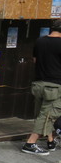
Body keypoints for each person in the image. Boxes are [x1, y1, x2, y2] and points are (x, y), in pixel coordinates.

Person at [21, 19, 61, 155]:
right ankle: (30, 144)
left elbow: (35, 60)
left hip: (39, 84)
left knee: (42, 114)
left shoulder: (40, 41)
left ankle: (50, 141)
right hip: (55, 86)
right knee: (48, 116)